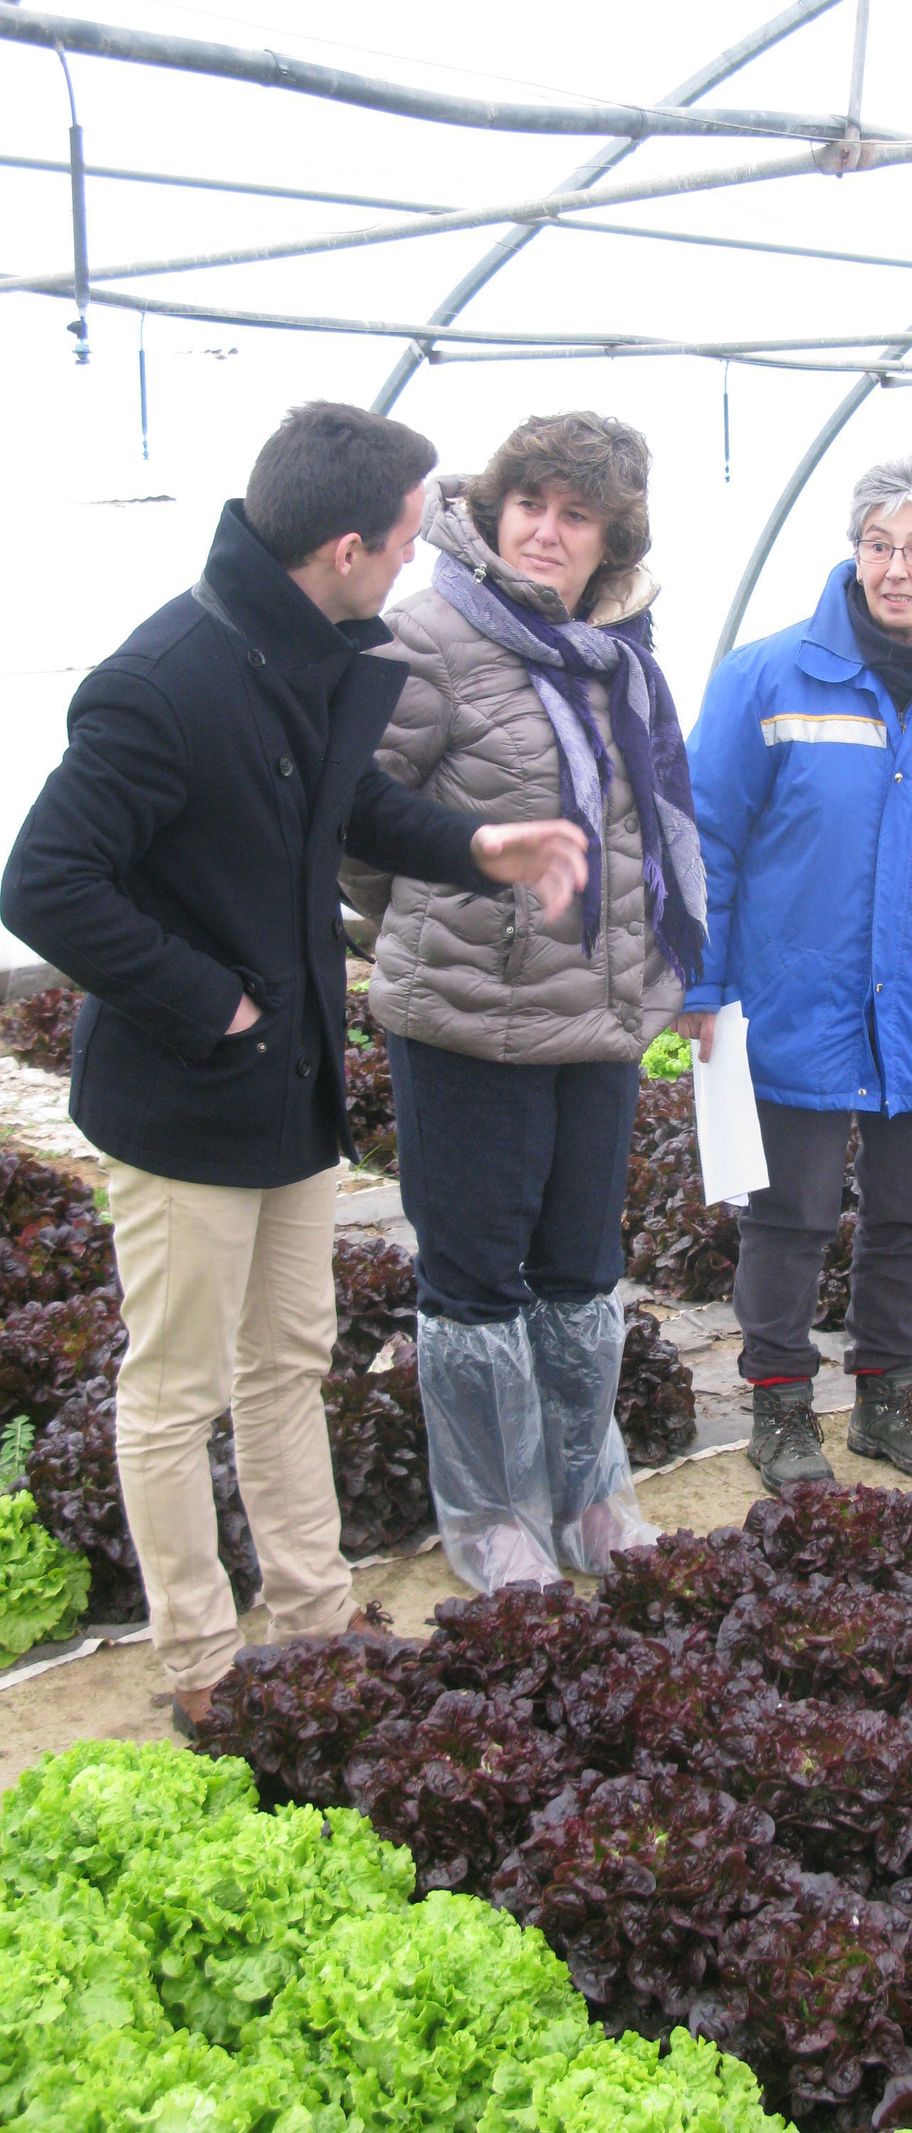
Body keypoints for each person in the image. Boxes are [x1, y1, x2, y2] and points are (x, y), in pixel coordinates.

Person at [0, 403, 589, 1731]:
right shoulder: (164, 680)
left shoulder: (307, 647)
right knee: (175, 1390)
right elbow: (41, 881)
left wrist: (477, 844)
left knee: (286, 1362)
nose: (414, 562)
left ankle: (313, 1622)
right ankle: (199, 1662)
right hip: (187, 1097)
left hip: (293, 1083)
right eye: (403, 539)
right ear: (342, 547)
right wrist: (208, 1003)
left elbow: (350, 808)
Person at [341, 410, 703, 1590]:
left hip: (594, 1016)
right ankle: (493, 1515)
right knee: (476, 1274)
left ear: (611, 538)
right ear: (493, 509)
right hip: (469, 1016)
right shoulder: (427, 636)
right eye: (529, 504)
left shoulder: (622, 653)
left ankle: (588, 1488)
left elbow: (651, 826)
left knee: (580, 1264)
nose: (546, 531)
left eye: (576, 513)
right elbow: (357, 820)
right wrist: (442, 921)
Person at [679, 457, 912, 1491]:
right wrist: (701, 982)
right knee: (786, 1214)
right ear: (854, 553)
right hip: (795, 993)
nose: (896, 568)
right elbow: (708, 841)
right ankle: (780, 1407)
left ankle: (886, 1398)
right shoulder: (767, 675)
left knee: (908, 1215)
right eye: (878, 545)